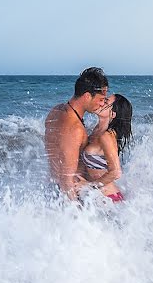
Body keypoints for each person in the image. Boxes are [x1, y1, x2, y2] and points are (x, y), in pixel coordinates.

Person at [44, 67, 109, 198]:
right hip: (69, 195)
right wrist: (77, 215)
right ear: (87, 96)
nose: (103, 104)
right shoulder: (74, 128)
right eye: (101, 99)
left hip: (53, 190)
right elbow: (66, 180)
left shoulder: (56, 111)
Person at [81, 93, 133, 202]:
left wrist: (89, 186)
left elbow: (116, 172)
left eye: (105, 102)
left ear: (113, 114)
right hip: (100, 198)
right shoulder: (97, 130)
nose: (100, 103)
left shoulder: (107, 136)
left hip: (109, 199)